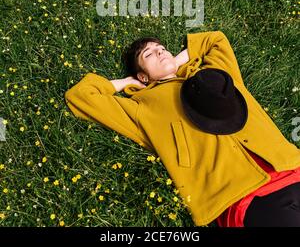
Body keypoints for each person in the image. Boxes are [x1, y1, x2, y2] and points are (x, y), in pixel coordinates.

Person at [65, 30, 300, 227]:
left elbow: (215, 40)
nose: (160, 52)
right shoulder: (143, 107)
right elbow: (80, 96)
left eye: (162, 48)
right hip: (241, 197)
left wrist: (176, 62)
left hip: (290, 166)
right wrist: (126, 83)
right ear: (143, 76)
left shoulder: (214, 76)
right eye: (149, 54)